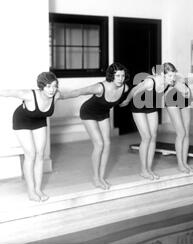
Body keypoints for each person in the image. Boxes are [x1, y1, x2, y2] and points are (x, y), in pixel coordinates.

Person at [63, 63, 130, 190]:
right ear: (111, 76)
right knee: (99, 144)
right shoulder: (100, 87)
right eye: (117, 76)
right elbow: (79, 92)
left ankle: (101, 177)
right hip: (88, 112)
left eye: (122, 75)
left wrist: (126, 101)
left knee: (107, 144)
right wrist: (61, 96)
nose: (120, 78)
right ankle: (95, 178)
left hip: (103, 113)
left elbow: (125, 97)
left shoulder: (124, 88)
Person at [1, 72, 62, 201]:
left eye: (54, 86)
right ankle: (31, 191)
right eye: (48, 86)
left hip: (39, 120)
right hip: (21, 120)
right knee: (31, 154)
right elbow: (7, 92)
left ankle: (38, 189)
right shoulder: (29, 94)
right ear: (41, 86)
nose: (51, 90)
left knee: (40, 154)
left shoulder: (56, 95)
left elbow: (73, 94)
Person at [123, 62, 177, 180]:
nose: (173, 79)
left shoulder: (168, 84)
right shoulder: (150, 82)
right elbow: (134, 91)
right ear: (162, 74)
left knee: (153, 136)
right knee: (146, 137)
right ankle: (143, 170)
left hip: (151, 106)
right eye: (170, 76)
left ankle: (149, 169)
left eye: (174, 76)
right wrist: (126, 100)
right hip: (138, 106)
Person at [164, 75, 193, 173]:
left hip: (184, 100)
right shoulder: (162, 82)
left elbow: (187, 93)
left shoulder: (179, 79)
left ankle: (185, 162)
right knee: (181, 133)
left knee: (186, 132)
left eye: (173, 73)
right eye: (169, 74)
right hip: (171, 101)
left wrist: (183, 87)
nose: (171, 76)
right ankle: (180, 164)